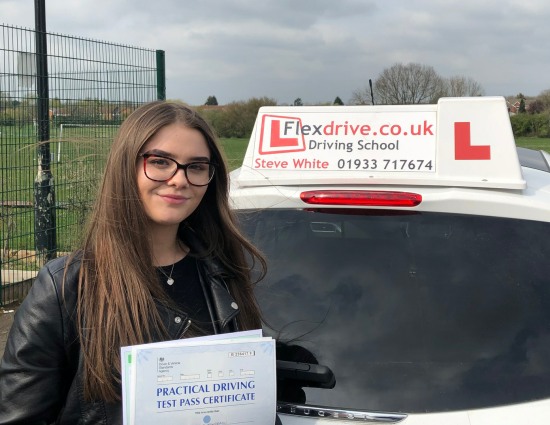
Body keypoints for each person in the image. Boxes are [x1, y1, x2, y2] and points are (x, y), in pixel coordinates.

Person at [0, 101, 268, 424]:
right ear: (126, 166)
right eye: (159, 161)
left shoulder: (225, 275)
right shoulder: (64, 288)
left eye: (196, 166)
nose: (179, 179)